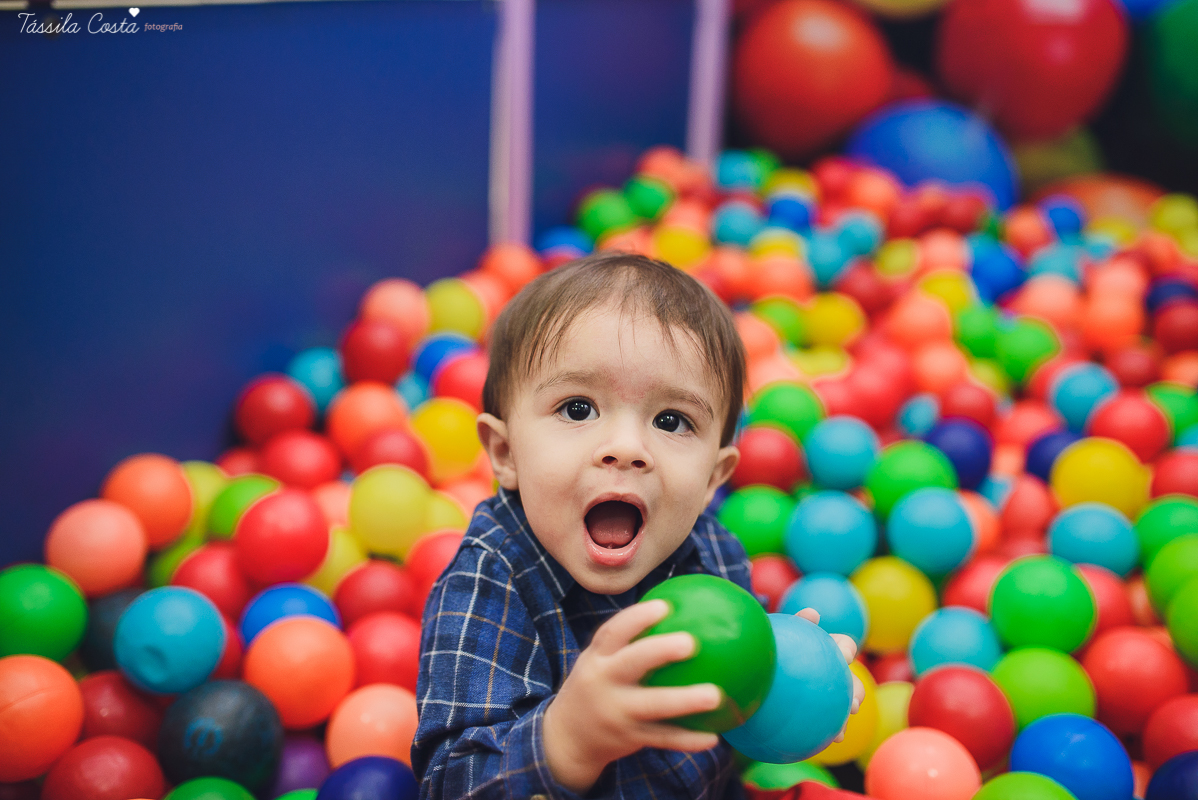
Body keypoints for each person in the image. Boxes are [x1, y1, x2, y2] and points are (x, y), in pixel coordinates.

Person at [412, 252, 861, 799]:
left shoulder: (713, 552)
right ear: (505, 453)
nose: (627, 449)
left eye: (672, 421)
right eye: (578, 409)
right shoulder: (490, 578)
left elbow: (731, 714)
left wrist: (791, 691)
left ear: (712, 479)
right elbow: (449, 783)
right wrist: (569, 738)